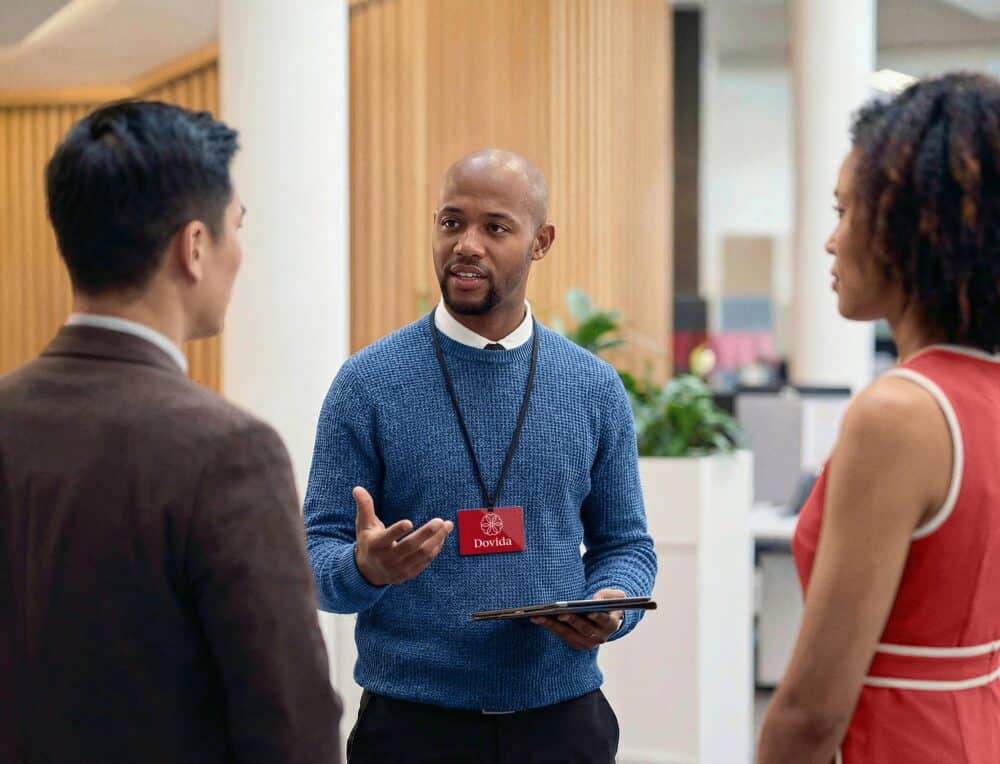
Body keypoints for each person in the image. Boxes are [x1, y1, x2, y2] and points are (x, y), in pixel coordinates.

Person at [0, 101, 342, 763]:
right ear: (193, 247)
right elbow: (292, 727)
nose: (240, 251)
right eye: (237, 226)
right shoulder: (229, 452)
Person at [305, 148, 657, 763]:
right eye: (450, 223)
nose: (467, 244)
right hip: (412, 729)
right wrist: (365, 569)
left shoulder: (594, 388)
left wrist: (610, 608)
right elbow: (314, 560)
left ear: (541, 241)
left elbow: (626, 546)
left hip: (562, 724)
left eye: (495, 227)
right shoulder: (366, 384)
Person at [758, 73, 1000, 763]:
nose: (830, 241)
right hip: (985, 733)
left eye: (844, 212)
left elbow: (812, 711)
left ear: (911, 228)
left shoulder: (899, 412)